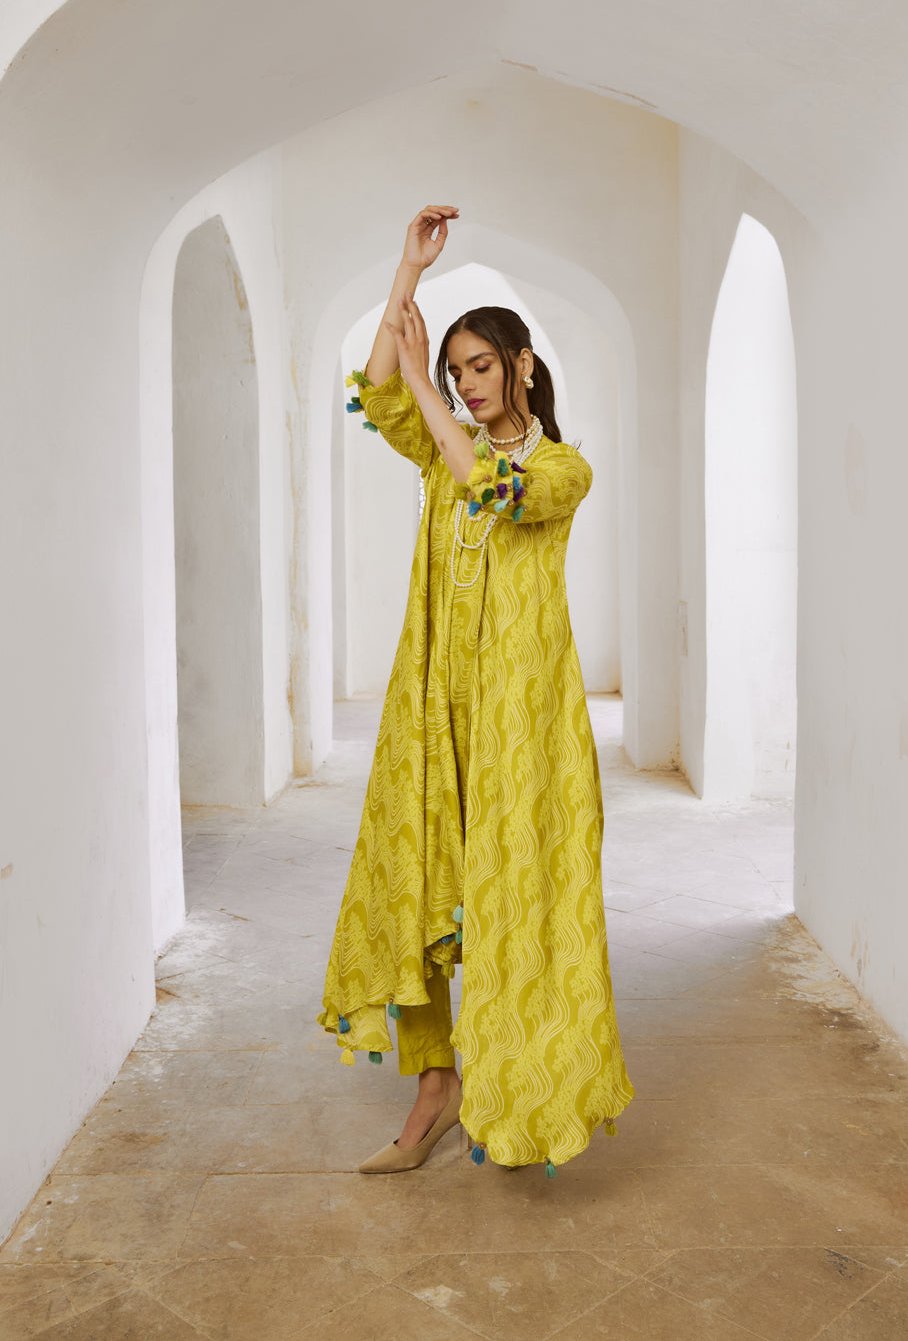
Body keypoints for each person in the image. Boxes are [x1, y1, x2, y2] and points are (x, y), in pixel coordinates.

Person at [318, 204, 633, 1176]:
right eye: (455, 371)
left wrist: (426, 388)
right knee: (418, 885)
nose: (464, 383)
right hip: (432, 710)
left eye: (480, 366)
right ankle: (437, 1088)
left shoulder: (562, 471)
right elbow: (379, 392)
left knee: (516, 899)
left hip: (520, 724)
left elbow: (495, 487)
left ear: (523, 365)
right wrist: (406, 275)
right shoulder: (441, 446)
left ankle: (519, 1094)